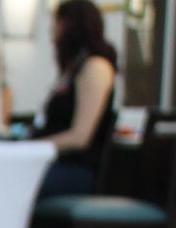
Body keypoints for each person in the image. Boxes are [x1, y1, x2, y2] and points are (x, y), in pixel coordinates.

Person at [33, 0, 117, 199]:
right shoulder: (71, 71)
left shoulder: (95, 67)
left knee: (14, 182)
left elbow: (80, 137)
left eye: (56, 23)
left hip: (76, 171)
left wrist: (32, 147)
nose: (51, 30)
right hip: (56, 164)